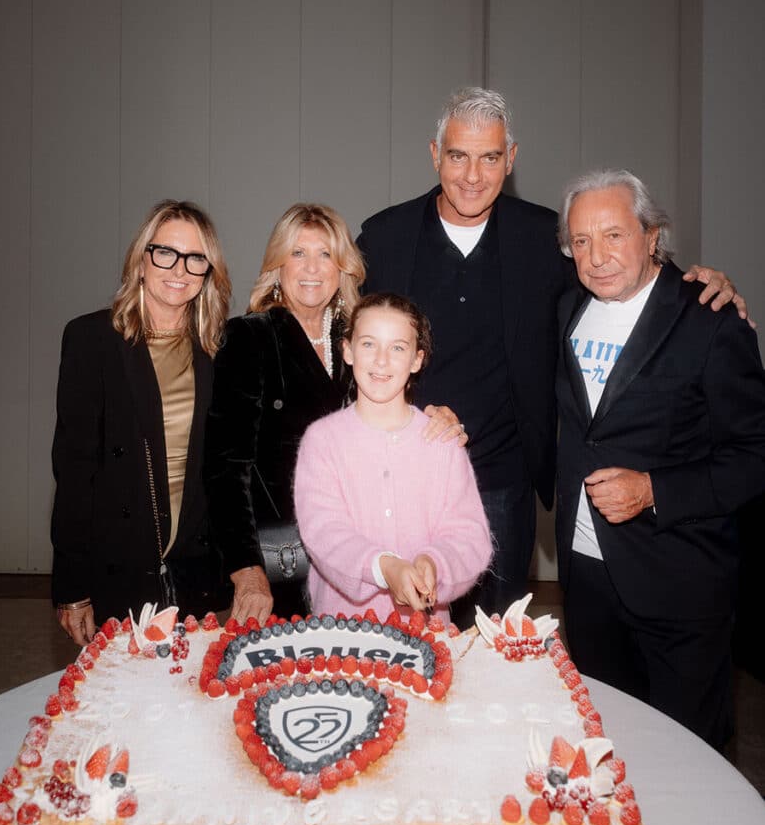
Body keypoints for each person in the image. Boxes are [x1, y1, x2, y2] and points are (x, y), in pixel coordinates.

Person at [357, 87, 745, 624]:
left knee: (498, 650)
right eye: (458, 156)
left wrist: (698, 283)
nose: (473, 175)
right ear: (434, 154)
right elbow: (345, 339)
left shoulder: (544, 236)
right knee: (408, 643)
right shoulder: (384, 237)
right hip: (404, 477)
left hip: (503, 486)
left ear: (510, 160)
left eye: (490, 157)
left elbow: (621, 271)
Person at [554, 169, 765, 750]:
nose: (596, 257)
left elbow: (753, 456)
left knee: (690, 757)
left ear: (652, 236)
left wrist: (654, 489)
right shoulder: (567, 306)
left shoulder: (711, 320)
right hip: (588, 576)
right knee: (608, 749)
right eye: (580, 241)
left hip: (679, 578)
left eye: (614, 235)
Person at [204, 204, 465, 625]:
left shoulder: (359, 338)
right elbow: (224, 468)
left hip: (362, 556)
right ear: (277, 265)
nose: (312, 268)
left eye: (325, 254)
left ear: (342, 266)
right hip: (281, 561)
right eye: (298, 253)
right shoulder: (250, 338)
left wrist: (440, 418)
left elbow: (399, 410)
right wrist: (247, 571)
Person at [52, 200, 232, 646]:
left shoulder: (217, 348)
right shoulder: (92, 340)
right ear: (141, 259)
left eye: (195, 258)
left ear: (208, 271)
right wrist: (73, 588)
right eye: (165, 252)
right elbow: (75, 473)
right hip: (119, 564)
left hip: (195, 569)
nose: (180, 269)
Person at [294, 293, 492, 623]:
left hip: (425, 635)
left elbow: (469, 536)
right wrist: (384, 567)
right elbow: (324, 531)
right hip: (343, 634)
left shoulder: (443, 441)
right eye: (369, 344)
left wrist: (434, 564)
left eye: (398, 347)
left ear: (417, 360)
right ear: (348, 350)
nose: (381, 360)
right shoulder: (322, 440)